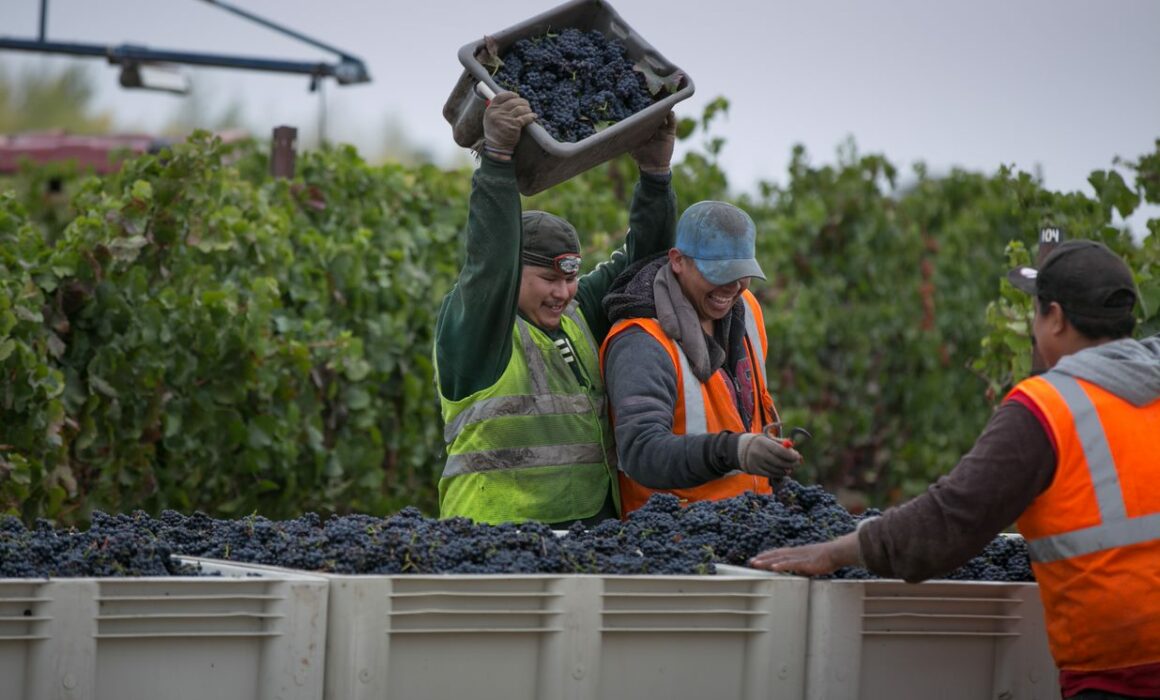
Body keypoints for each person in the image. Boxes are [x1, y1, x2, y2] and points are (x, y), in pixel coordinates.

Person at [750, 240, 1160, 698]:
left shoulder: (1047, 409)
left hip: (1120, 678)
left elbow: (951, 519)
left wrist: (836, 551)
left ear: (1058, 319)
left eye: (1037, 312)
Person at [435, 91, 678, 527]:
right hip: (493, 541)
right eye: (549, 279)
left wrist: (655, 174)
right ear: (513, 276)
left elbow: (644, 266)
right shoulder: (479, 330)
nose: (563, 292)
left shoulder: (577, 316)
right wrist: (497, 158)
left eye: (569, 279)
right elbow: (488, 263)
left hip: (588, 535)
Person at [599, 200, 802, 516]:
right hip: (676, 541)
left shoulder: (747, 309)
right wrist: (733, 450)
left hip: (749, 521)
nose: (733, 287)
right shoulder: (640, 342)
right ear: (678, 261)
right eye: (719, 273)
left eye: (741, 273)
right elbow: (642, 452)